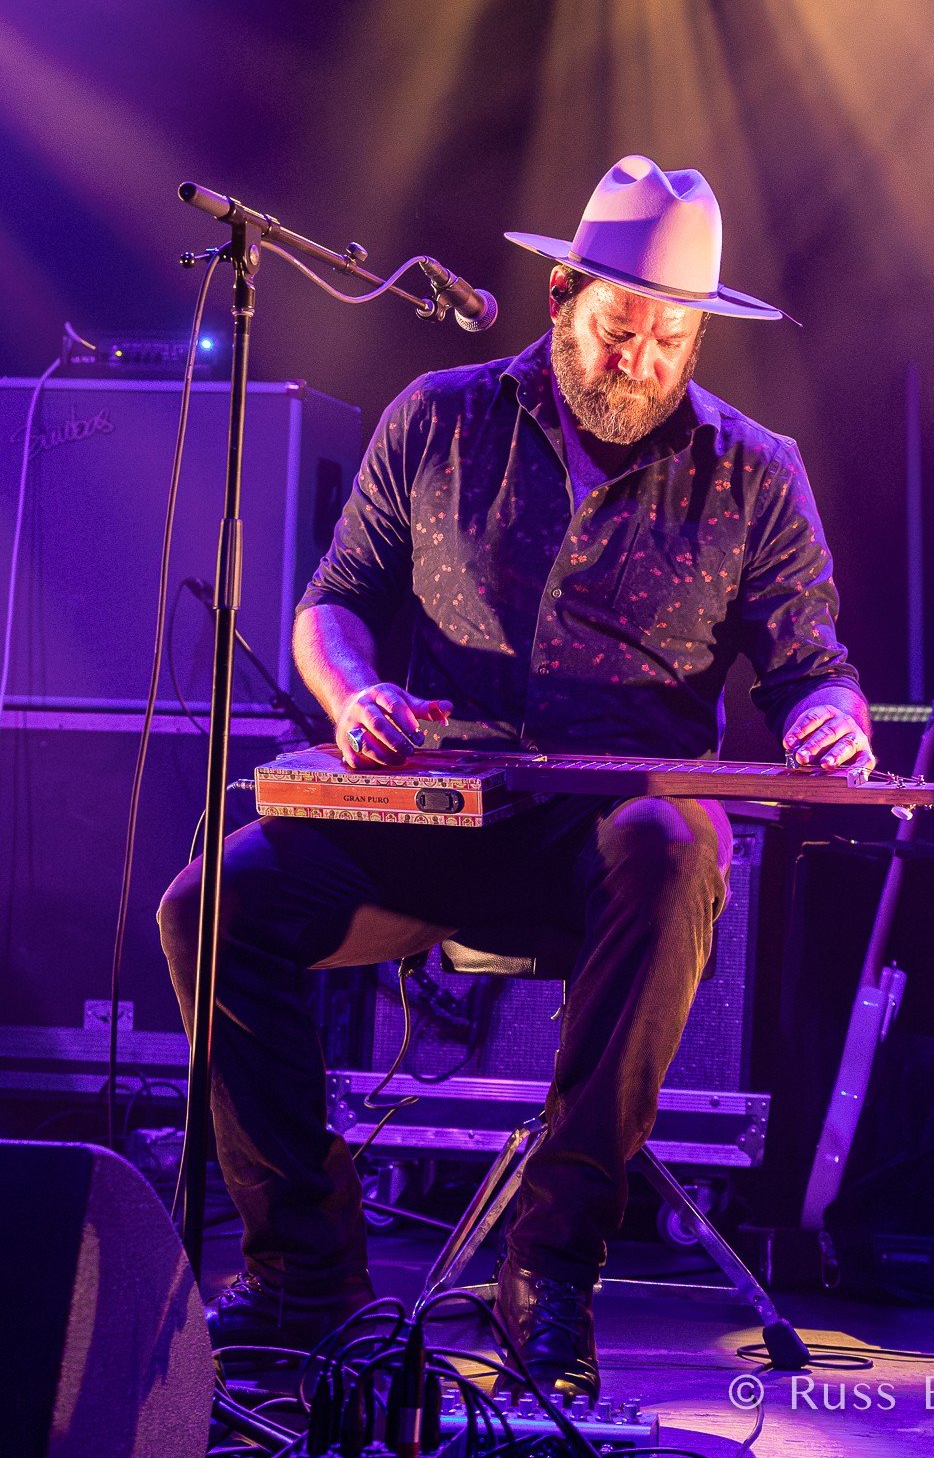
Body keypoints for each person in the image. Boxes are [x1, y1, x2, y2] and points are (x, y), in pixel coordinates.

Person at [159, 154, 872, 1397]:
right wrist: (354, 694)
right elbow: (334, 605)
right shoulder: (439, 417)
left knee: (674, 841)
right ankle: (303, 1276)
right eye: (614, 329)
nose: (636, 361)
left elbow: (816, 664)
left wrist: (832, 719)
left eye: (668, 338)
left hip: (602, 857)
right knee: (206, 904)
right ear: (560, 294)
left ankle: (552, 1266)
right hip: (432, 817)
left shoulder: (755, 470)